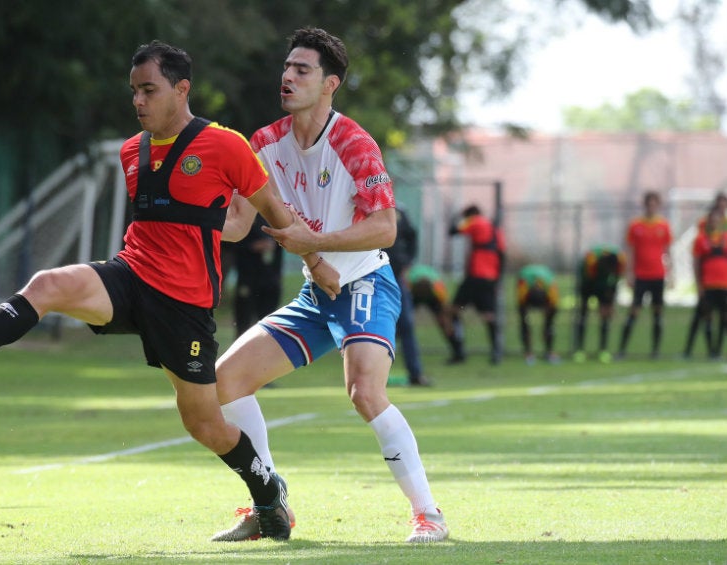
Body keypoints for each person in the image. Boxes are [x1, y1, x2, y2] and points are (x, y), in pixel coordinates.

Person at [0, 40, 337, 540]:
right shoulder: (131, 151)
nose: (138, 101)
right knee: (50, 283)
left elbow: (273, 213)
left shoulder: (226, 145)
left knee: (204, 424)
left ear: (181, 90)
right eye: (133, 92)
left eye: (149, 90)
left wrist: (315, 260)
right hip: (130, 273)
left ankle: (268, 495)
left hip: (184, 303)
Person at [212, 28, 448, 543]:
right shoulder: (263, 144)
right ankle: (270, 502)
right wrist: (186, 211)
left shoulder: (354, 143)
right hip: (316, 295)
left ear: (330, 83)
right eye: (287, 67)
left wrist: (312, 240)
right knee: (226, 380)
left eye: (303, 69)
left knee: (365, 392)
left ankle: (429, 514)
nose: (288, 77)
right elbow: (235, 224)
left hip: (365, 281)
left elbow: (385, 227)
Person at [446, 204, 506, 364]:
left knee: (453, 311)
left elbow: (453, 231)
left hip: (475, 275)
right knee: (489, 315)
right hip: (491, 277)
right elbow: (502, 253)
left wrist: (457, 217)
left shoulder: (475, 221)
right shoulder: (494, 228)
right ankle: (496, 352)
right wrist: (498, 279)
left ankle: (459, 352)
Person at [617, 191, 672, 359]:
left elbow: (668, 251)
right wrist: (628, 273)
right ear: (645, 204)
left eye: (654, 203)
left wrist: (671, 272)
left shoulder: (664, 226)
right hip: (640, 275)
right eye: (649, 203)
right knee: (634, 311)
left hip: (658, 274)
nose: (651, 206)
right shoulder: (635, 225)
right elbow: (629, 250)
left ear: (658, 205)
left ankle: (655, 351)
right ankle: (622, 350)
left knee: (657, 312)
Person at [383, 208, 431, 386]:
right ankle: (374, 376)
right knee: (377, 327)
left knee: (406, 326)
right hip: (372, 280)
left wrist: (408, 262)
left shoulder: (400, 212)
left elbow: (412, 237)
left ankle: (415, 374)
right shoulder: (364, 209)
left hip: (396, 279)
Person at [684, 193, 727, 357]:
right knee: (703, 316)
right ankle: (695, 350)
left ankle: (717, 350)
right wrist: (699, 284)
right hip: (708, 283)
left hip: (724, 284)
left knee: (723, 317)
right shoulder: (701, 237)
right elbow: (696, 262)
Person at [230, 214, 284, 340]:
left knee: (268, 322)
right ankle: (240, 354)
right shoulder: (244, 215)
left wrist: (273, 245)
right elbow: (232, 246)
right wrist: (253, 246)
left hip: (271, 280)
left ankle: (265, 354)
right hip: (248, 279)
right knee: (243, 322)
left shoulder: (275, 217)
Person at [572, 244, 627, 363]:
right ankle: (579, 350)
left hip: (604, 286)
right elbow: (586, 281)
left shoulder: (620, 261)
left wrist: (609, 303)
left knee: (605, 316)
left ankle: (603, 350)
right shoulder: (590, 261)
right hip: (588, 283)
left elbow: (615, 282)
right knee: (583, 314)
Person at [516, 264, 560, 365]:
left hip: (546, 278)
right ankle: (528, 352)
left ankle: (549, 352)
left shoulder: (552, 289)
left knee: (549, 323)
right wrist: (525, 315)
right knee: (524, 320)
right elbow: (522, 306)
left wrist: (548, 313)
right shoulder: (523, 287)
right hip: (525, 275)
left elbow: (553, 307)